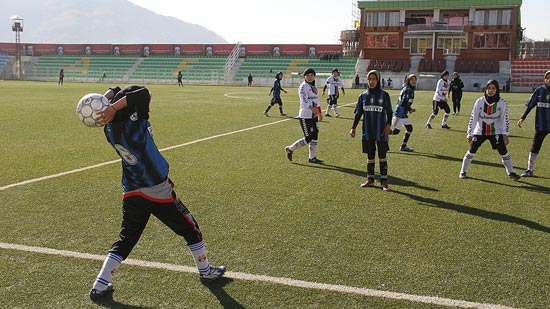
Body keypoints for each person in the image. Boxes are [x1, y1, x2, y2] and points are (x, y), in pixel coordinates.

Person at [88, 85, 226, 302]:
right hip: (157, 189)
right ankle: (206, 271)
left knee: (126, 239)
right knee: (191, 228)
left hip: (132, 190)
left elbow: (119, 90)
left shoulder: (110, 129)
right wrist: (112, 106)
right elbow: (142, 93)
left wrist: (104, 103)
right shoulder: (136, 120)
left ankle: (100, 284)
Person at [459, 80, 520, 180]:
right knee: (471, 151)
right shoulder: (479, 102)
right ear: (485, 89)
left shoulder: (502, 103)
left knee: (504, 152)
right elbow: (473, 118)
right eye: (488, 88)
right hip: (480, 131)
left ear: (497, 89)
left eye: (493, 88)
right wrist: (469, 133)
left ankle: (511, 172)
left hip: (495, 132)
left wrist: (505, 134)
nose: (490, 90)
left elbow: (505, 119)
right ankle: (463, 172)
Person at [350, 70, 393, 191]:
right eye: (369, 79)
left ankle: (384, 181)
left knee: (382, 155)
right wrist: (353, 128)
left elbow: (389, 112)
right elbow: (358, 114)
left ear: (378, 80)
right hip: (367, 131)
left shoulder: (384, 95)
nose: (371, 81)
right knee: (370, 155)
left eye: (374, 79)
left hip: (381, 130)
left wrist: (388, 125)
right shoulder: (363, 96)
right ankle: (370, 179)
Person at [285, 68, 323, 164]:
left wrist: (319, 112)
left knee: (315, 135)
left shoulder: (314, 85)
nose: (310, 77)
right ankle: (290, 149)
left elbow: (316, 99)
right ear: (304, 76)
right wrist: (311, 108)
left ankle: (312, 157)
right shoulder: (303, 86)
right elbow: (304, 100)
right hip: (305, 116)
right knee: (308, 137)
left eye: (312, 75)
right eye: (308, 75)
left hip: (313, 116)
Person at [517, 70, 550, 177]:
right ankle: (529, 170)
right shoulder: (539, 90)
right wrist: (522, 118)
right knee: (535, 146)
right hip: (541, 125)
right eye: (547, 77)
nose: (549, 80)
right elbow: (530, 105)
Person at [391, 73, 417, 152]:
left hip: (403, 113)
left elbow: (405, 103)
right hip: (400, 113)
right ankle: (380, 135)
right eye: (412, 80)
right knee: (395, 132)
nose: (414, 81)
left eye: (415, 80)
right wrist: (410, 109)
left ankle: (403, 146)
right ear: (408, 81)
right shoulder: (408, 90)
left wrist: (409, 109)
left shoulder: (410, 89)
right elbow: (403, 103)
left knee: (409, 128)